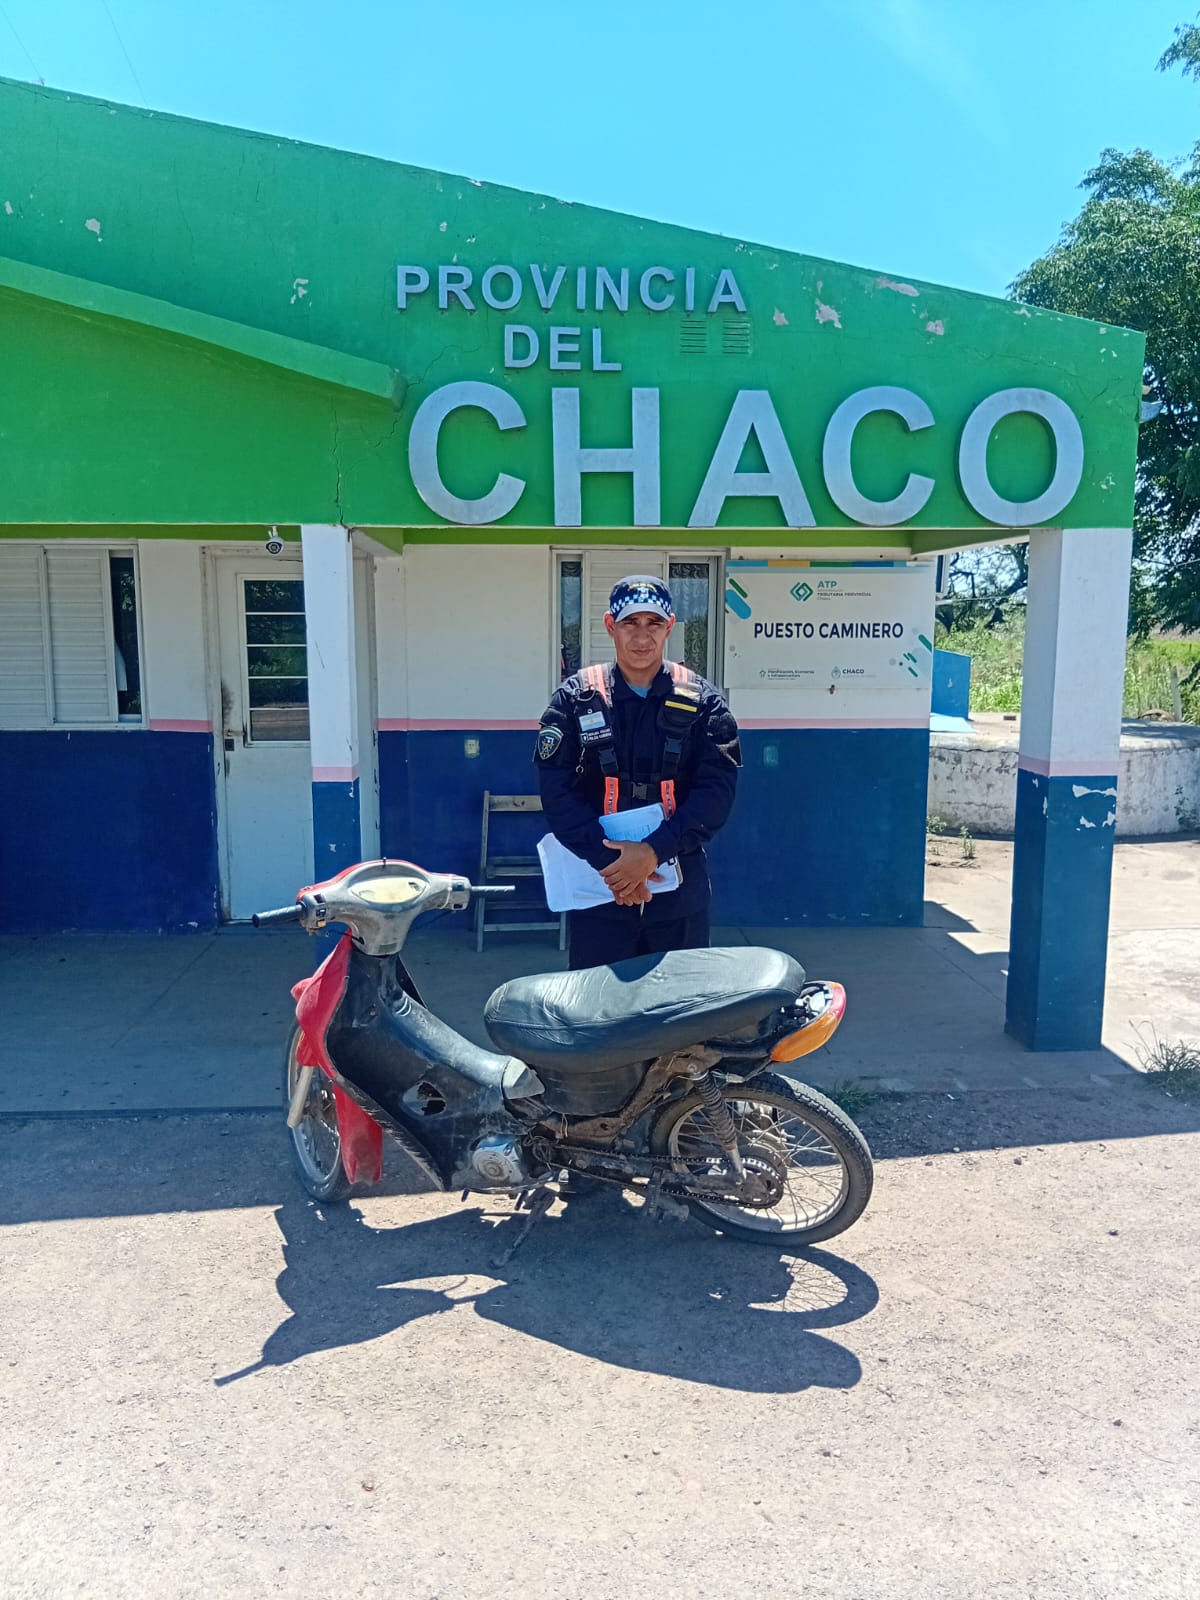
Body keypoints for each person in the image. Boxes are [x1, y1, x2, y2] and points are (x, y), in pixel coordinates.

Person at [535, 574, 741, 970]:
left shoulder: (703, 702)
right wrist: (615, 867)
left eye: (653, 623)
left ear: (670, 627)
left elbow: (716, 793)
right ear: (610, 625)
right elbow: (558, 792)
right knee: (599, 1003)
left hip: (679, 892)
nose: (642, 637)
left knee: (682, 1003)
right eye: (630, 623)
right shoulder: (576, 700)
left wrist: (652, 853)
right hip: (600, 889)